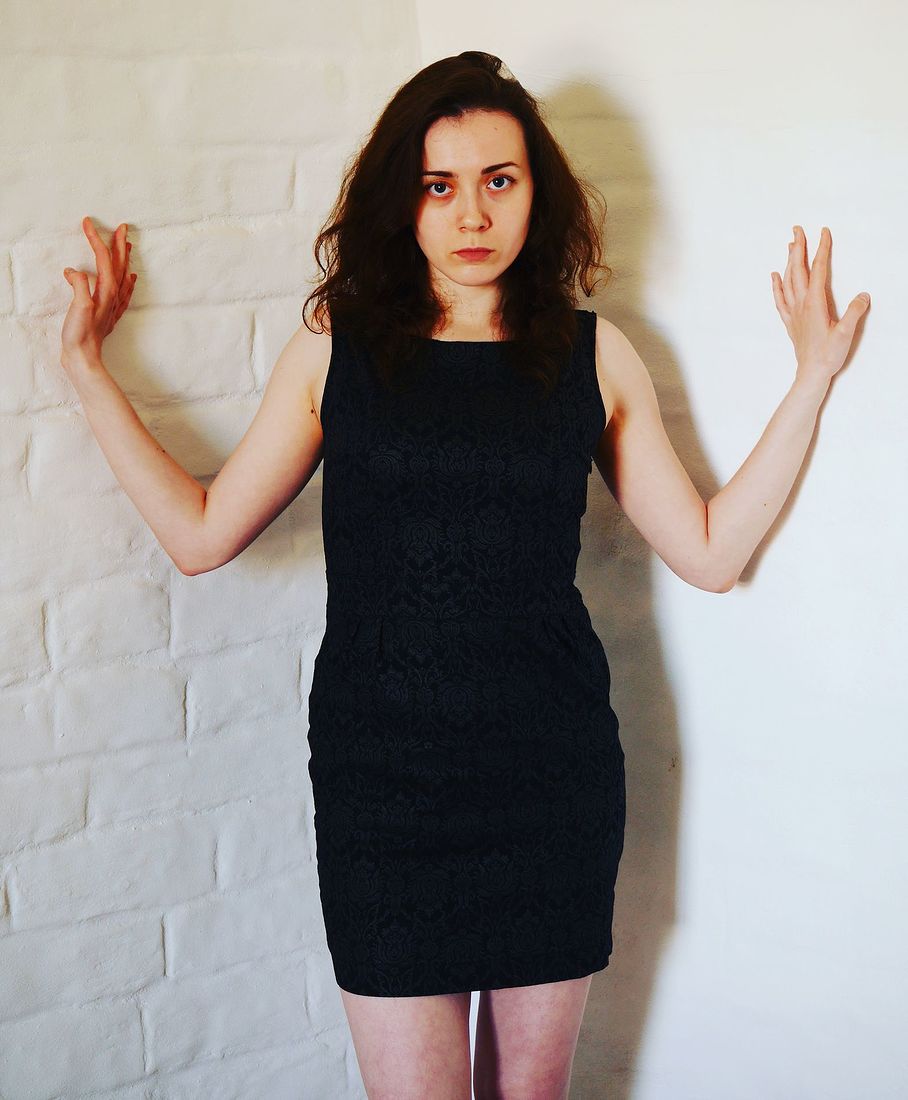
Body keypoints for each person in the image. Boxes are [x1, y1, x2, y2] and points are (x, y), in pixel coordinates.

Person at [60, 49, 870, 1100]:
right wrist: (86, 369)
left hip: (549, 777)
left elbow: (709, 553)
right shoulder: (335, 350)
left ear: (538, 191)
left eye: (499, 179)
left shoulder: (592, 355)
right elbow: (201, 534)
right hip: (382, 792)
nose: (472, 213)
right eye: (438, 185)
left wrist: (811, 376)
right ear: (401, 200)